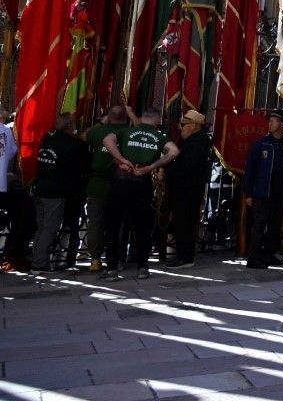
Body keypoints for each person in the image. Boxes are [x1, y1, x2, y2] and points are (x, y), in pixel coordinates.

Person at [102, 108, 178, 282]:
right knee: (142, 228)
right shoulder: (159, 137)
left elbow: (107, 140)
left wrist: (121, 159)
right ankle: (143, 267)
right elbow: (174, 152)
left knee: (113, 226)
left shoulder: (127, 131)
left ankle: (112, 268)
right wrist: (152, 166)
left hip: (120, 181)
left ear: (142, 118)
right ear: (158, 120)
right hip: (141, 183)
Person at [31, 111, 89, 271]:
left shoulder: (47, 138)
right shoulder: (73, 145)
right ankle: (39, 263)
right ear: (70, 125)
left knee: (41, 227)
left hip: (39, 188)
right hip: (55, 193)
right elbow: (81, 167)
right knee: (49, 228)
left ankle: (36, 259)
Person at [244, 109, 283, 268]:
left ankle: (268, 254)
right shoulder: (261, 144)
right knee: (259, 225)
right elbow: (250, 169)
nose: (270, 123)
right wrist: (248, 193)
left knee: (275, 225)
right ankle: (253, 258)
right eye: (270, 120)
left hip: (281, 192)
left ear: (282, 124)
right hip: (262, 192)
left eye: (274, 121)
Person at [82, 105, 129, 274]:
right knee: (119, 224)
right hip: (121, 185)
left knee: (95, 223)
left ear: (109, 117)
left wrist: (101, 124)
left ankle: (95, 259)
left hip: (97, 184)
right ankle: (117, 259)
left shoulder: (97, 132)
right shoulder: (129, 132)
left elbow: (81, 137)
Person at [166, 111, 213, 268]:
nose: (181, 128)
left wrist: (167, 171)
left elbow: (186, 166)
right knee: (184, 222)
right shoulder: (196, 141)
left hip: (187, 188)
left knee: (185, 222)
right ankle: (185, 255)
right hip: (187, 187)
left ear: (193, 126)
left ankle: (184, 258)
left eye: (184, 125)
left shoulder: (197, 143)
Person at [0, 107, 32, 271]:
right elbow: (12, 152)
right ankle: (10, 254)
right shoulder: (5, 131)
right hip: (2, 185)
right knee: (18, 217)